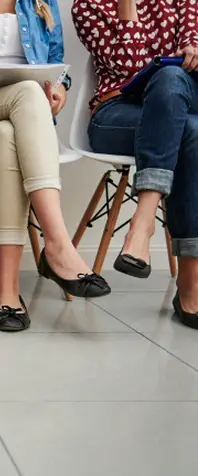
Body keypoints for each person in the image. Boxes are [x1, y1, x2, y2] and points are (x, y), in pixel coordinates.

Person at [0, 0, 111, 332]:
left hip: (19, 122)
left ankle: (9, 294)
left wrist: (59, 90)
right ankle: (58, 244)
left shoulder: (41, 2)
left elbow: (58, 65)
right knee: (28, 93)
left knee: (5, 136)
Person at [73, 0, 198, 329]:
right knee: (189, 129)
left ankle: (142, 224)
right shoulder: (88, 6)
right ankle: (190, 284)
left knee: (173, 85)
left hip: (177, 103)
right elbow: (131, 69)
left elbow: (191, 43)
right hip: (116, 114)